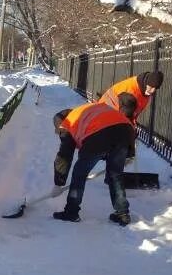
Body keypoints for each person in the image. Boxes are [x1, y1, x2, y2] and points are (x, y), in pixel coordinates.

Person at [51, 93, 138, 226]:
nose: (58, 133)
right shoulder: (89, 110)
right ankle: (122, 214)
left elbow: (64, 156)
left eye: (57, 130)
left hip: (100, 137)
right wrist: (129, 153)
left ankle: (71, 212)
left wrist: (59, 182)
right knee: (115, 175)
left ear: (60, 123)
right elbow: (121, 125)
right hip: (125, 132)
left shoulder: (68, 123)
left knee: (79, 173)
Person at [98, 70, 163, 122]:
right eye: (151, 86)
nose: (153, 91)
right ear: (146, 83)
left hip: (109, 112)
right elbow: (123, 120)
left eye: (156, 88)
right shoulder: (131, 94)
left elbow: (133, 115)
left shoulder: (145, 92)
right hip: (105, 113)